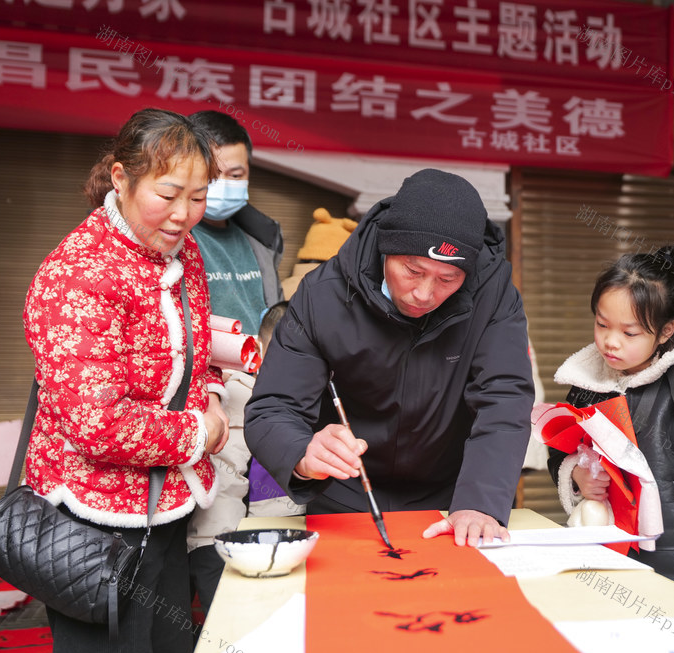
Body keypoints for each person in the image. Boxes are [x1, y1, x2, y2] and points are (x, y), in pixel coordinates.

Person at [22, 108, 228, 653]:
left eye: (199, 196)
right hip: (92, 521)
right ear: (121, 178)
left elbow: (194, 356)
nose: (185, 214)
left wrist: (210, 393)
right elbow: (97, 422)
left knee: (168, 652)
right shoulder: (79, 273)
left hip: (164, 505)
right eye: (168, 194)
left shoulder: (184, 254)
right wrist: (200, 432)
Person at [245, 168, 535, 546]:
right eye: (412, 271)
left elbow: (505, 398)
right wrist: (302, 452)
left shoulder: (494, 296)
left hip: (456, 495)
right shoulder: (324, 295)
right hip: (346, 493)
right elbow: (273, 407)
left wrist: (481, 502)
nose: (424, 293)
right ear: (386, 248)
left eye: (448, 279)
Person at [546, 246, 674, 617]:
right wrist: (576, 473)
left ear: (665, 332)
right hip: (604, 560)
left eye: (629, 332)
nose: (611, 342)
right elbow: (560, 450)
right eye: (601, 324)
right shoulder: (585, 384)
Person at [186, 301, 303, 621]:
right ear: (260, 350)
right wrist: (217, 554)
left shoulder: (314, 393)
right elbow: (223, 487)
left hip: (296, 540)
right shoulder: (238, 394)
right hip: (239, 543)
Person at [188, 110, 284, 334]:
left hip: (261, 367)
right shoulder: (170, 236)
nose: (221, 184)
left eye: (235, 175)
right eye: (211, 174)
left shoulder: (263, 239)